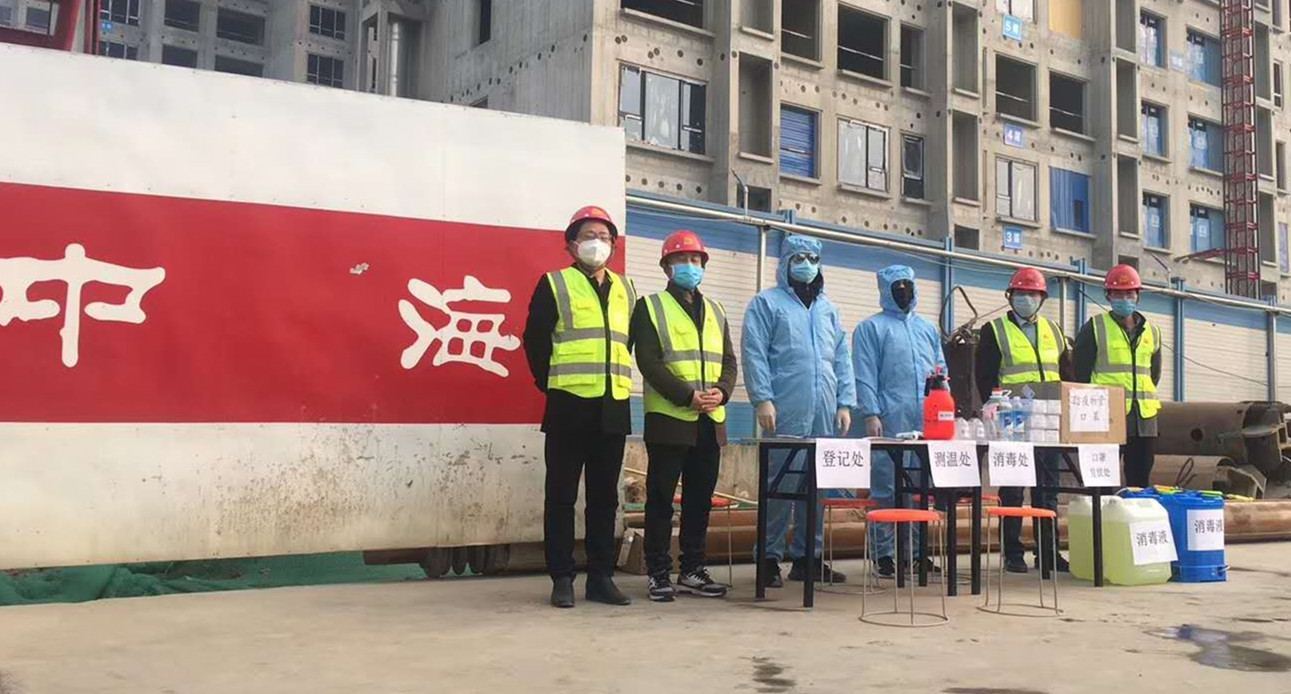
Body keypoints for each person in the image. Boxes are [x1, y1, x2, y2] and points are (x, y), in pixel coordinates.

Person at [522, 205, 636, 608]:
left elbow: (627, 342)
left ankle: (601, 578)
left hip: (613, 405)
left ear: (614, 245)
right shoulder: (555, 284)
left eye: (604, 237)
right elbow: (535, 341)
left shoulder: (627, 289)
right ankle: (562, 578)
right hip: (568, 406)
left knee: (605, 499)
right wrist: (552, 385)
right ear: (571, 245)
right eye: (588, 236)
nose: (597, 243)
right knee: (561, 497)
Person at [742, 235, 856, 588]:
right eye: (798, 258)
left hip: (824, 409)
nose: (806, 264)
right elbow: (755, 352)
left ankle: (809, 558)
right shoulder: (766, 304)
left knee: (816, 488)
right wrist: (762, 398)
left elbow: (841, 357)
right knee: (780, 486)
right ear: (785, 263)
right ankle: (768, 558)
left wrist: (844, 401)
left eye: (812, 258)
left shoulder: (828, 309)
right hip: (785, 407)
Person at [631, 230, 738, 603]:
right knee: (661, 499)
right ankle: (658, 572)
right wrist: (686, 396)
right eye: (681, 260)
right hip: (670, 420)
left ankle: (692, 568)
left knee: (699, 500)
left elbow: (729, 361)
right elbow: (648, 361)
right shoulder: (650, 307)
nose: (690, 266)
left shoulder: (717, 310)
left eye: (695, 260)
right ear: (666, 267)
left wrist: (722, 391)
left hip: (710, 420)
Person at [974, 267, 1072, 574]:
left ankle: (1049, 553)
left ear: (1042, 298)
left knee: (1048, 489)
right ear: (1010, 296)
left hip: (1048, 419)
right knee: (1013, 488)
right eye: (1020, 293)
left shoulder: (1054, 330)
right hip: (1012, 417)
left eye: (1032, 294)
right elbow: (985, 375)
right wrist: (995, 407)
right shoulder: (995, 330)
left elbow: (1066, 374)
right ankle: (1013, 553)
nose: (1026, 299)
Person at [853, 264, 946, 579]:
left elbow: (940, 371)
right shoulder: (871, 328)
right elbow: (864, 372)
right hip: (889, 417)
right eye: (897, 287)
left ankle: (917, 554)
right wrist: (870, 412)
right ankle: (884, 554)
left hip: (925, 419)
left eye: (908, 285)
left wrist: (943, 413)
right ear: (885, 291)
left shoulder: (927, 329)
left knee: (920, 486)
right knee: (886, 486)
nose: (904, 292)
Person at [1074, 264, 1162, 488]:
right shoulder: (1095, 327)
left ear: (1138, 295)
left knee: (1140, 480)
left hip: (1143, 419)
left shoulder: (1152, 331)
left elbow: (1154, 374)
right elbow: (1080, 374)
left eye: (1129, 293)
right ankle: (1103, 512)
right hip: (1106, 417)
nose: (1124, 299)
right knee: (1103, 481)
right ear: (1108, 296)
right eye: (1118, 294)